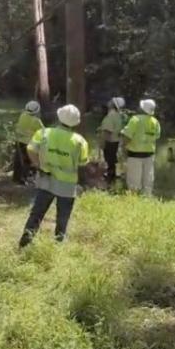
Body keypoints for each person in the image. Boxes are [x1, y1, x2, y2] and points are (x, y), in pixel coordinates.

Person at [19, 104, 90, 247]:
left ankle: (25, 244)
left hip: (47, 180)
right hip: (67, 185)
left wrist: (39, 165)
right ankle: (58, 246)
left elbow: (31, 149)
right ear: (76, 122)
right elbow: (83, 163)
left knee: (36, 214)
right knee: (62, 218)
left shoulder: (44, 133)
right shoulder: (80, 141)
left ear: (59, 117)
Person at [120, 98, 161, 197]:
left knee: (134, 183)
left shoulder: (135, 120)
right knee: (148, 182)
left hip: (135, 156)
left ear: (142, 108)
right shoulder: (155, 122)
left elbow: (127, 136)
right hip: (149, 156)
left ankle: (134, 202)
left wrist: (122, 149)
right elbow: (157, 136)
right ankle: (147, 201)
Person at [12, 100, 44, 185]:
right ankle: (25, 179)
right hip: (29, 144)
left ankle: (16, 178)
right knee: (28, 162)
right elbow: (44, 133)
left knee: (18, 161)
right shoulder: (36, 121)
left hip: (19, 141)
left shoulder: (22, 115)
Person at [98, 97, 127, 187]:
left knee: (109, 162)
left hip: (109, 142)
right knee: (113, 162)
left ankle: (109, 182)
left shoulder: (111, 115)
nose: (108, 102)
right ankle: (113, 180)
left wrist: (102, 143)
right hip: (116, 142)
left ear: (113, 105)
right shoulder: (119, 116)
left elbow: (107, 131)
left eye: (111, 102)